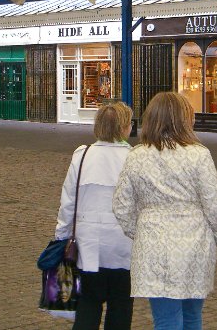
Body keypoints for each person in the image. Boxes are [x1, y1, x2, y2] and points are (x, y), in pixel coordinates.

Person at [113, 92, 217, 330]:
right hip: (195, 243)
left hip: (154, 242)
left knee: (166, 318)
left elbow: (122, 205)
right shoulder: (198, 155)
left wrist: (141, 230)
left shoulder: (137, 157)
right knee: (192, 315)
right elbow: (215, 204)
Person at [55, 101, 135, 330]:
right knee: (121, 308)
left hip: (89, 246)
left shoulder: (82, 155)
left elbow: (68, 202)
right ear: (125, 127)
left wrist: (61, 236)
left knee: (88, 306)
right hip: (124, 247)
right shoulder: (135, 158)